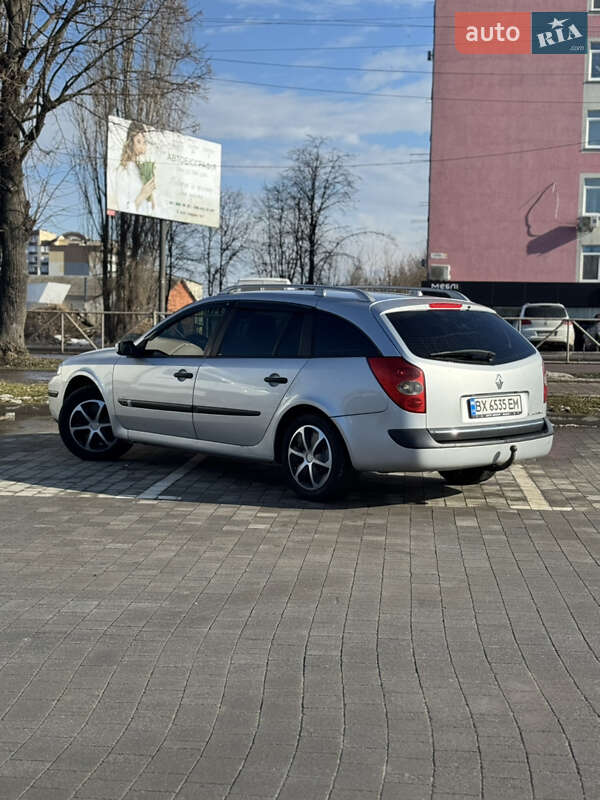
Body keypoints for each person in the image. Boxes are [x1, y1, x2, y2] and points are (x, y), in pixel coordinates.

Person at [111, 121, 156, 215]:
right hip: (131, 222)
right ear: (130, 142)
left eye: (144, 142)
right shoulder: (123, 170)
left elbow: (152, 208)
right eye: (138, 141)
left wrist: (152, 198)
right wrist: (142, 195)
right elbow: (122, 206)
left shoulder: (145, 170)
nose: (142, 147)